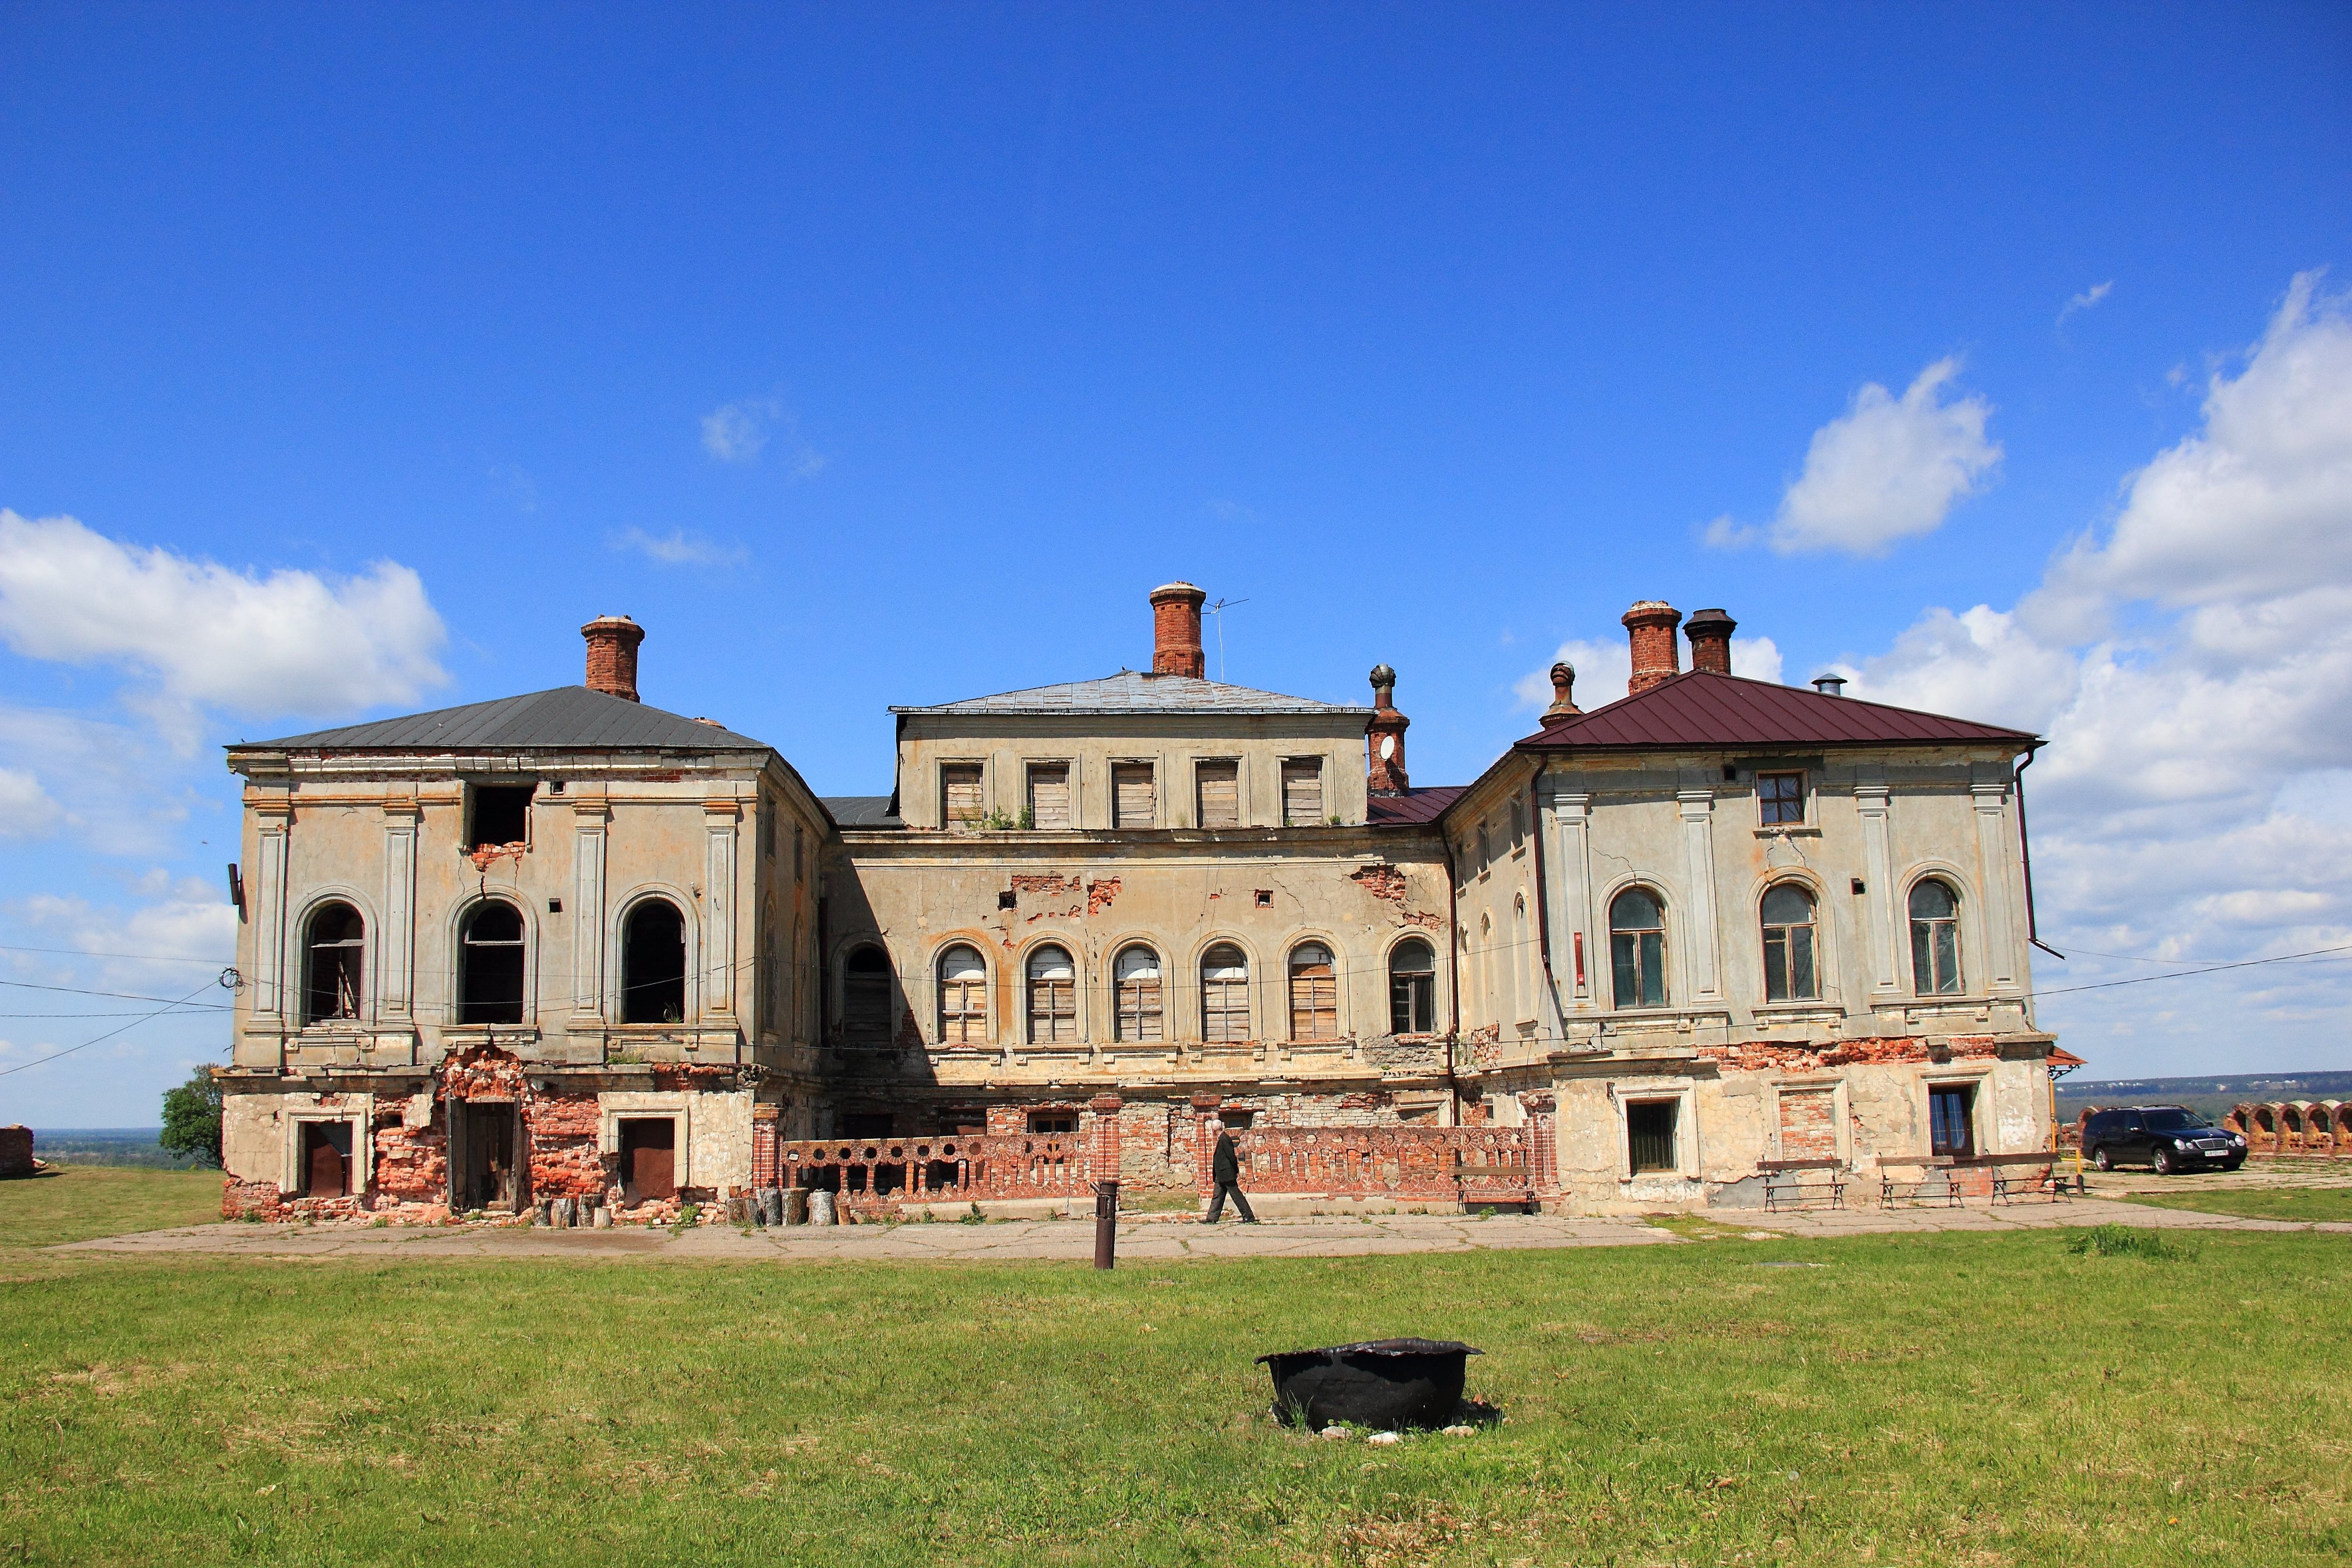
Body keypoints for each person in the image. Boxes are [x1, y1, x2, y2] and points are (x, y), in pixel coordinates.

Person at [1204, 1124, 1257, 1223]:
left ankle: (1248, 1216)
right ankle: (1212, 1218)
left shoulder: (1225, 1139)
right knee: (1218, 1195)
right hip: (1221, 1174)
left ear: (1214, 1130)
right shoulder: (1222, 1138)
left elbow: (1231, 1156)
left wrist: (1235, 1170)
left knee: (1236, 1195)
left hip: (1227, 1174)